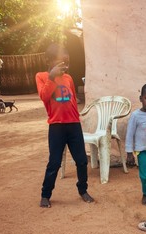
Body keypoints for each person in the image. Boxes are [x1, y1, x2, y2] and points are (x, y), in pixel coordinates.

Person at [35, 43, 94, 208]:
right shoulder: (41, 76)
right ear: (49, 60)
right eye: (61, 62)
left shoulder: (68, 78)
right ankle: (45, 194)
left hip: (74, 125)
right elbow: (44, 97)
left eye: (67, 62)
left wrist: (76, 118)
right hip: (56, 126)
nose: (65, 66)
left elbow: (74, 100)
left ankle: (83, 190)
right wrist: (52, 78)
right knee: (54, 162)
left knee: (82, 161)